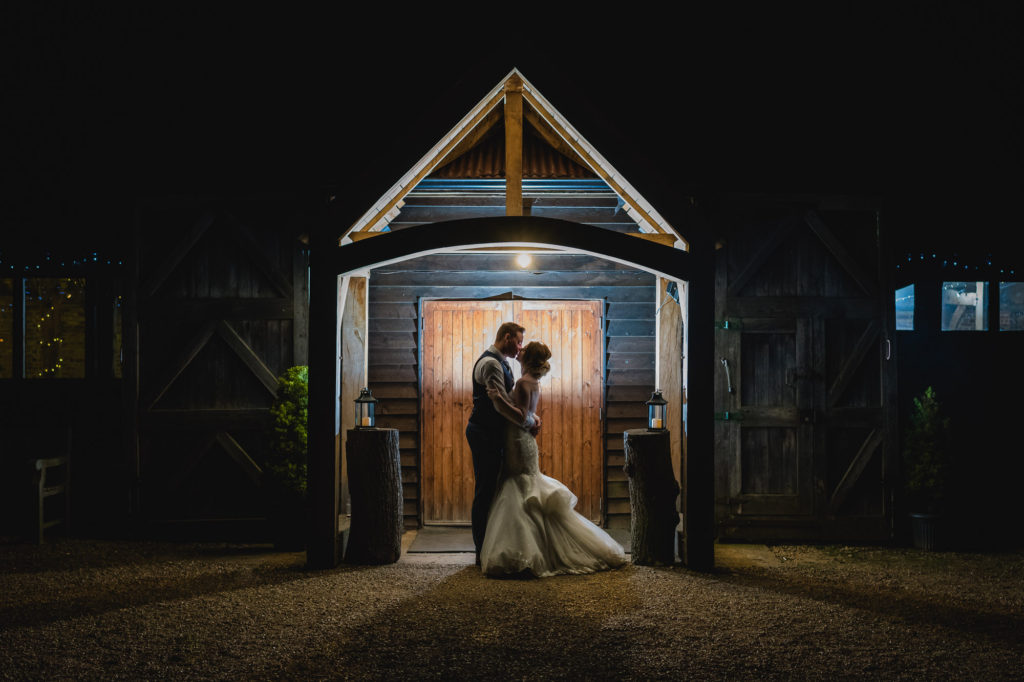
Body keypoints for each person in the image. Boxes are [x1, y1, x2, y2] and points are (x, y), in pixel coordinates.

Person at [480, 341, 627, 577]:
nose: (520, 349)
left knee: (520, 486)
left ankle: (522, 553)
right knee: (526, 484)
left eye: (524, 348)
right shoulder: (532, 382)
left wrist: (498, 400)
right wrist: (532, 418)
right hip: (523, 440)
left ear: (528, 359)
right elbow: (526, 413)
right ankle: (533, 547)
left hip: (518, 440)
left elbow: (519, 416)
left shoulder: (521, 383)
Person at [465, 322, 540, 566]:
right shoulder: (490, 364)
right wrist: (529, 420)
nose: (520, 347)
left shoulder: (502, 363)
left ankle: (496, 546)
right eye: (518, 341)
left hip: (496, 433)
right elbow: (498, 406)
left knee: (497, 489)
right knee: (485, 490)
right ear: (506, 337)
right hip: (484, 432)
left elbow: (512, 402)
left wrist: (531, 416)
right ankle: (481, 551)